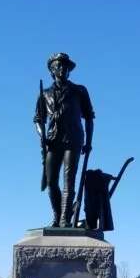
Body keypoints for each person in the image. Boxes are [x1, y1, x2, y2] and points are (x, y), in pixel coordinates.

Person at [34, 52, 95, 227]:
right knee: (51, 182)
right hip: (53, 141)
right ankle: (58, 214)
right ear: (52, 70)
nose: (62, 69)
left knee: (69, 181)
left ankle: (64, 220)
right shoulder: (44, 94)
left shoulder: (79, 91)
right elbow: (38, 119)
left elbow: (89, 117)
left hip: (73, 139)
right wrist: (42, 135)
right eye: (58, 66)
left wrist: (89, 142)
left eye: (65, 66)